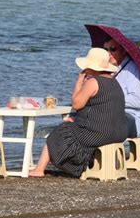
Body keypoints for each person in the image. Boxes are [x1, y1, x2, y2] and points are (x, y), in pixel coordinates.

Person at [29, 48, 128, 178]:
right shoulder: (114, 82)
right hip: (119, 132)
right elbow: (100, 109)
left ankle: (39, 169)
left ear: (92, 67)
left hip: (100, 133)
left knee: (61, 130)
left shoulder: (94, 82)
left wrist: (79, 82)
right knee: (72, 124)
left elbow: (76, 104)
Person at [103, 38, 140, 138]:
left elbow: (137, 101)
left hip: (134, 120)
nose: (108, 53)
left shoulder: (133, 70)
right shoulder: (111, 70)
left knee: (99, 122)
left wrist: (110, 100)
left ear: (123, 51)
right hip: (114, 114)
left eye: (113, 49)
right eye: (105, 50)